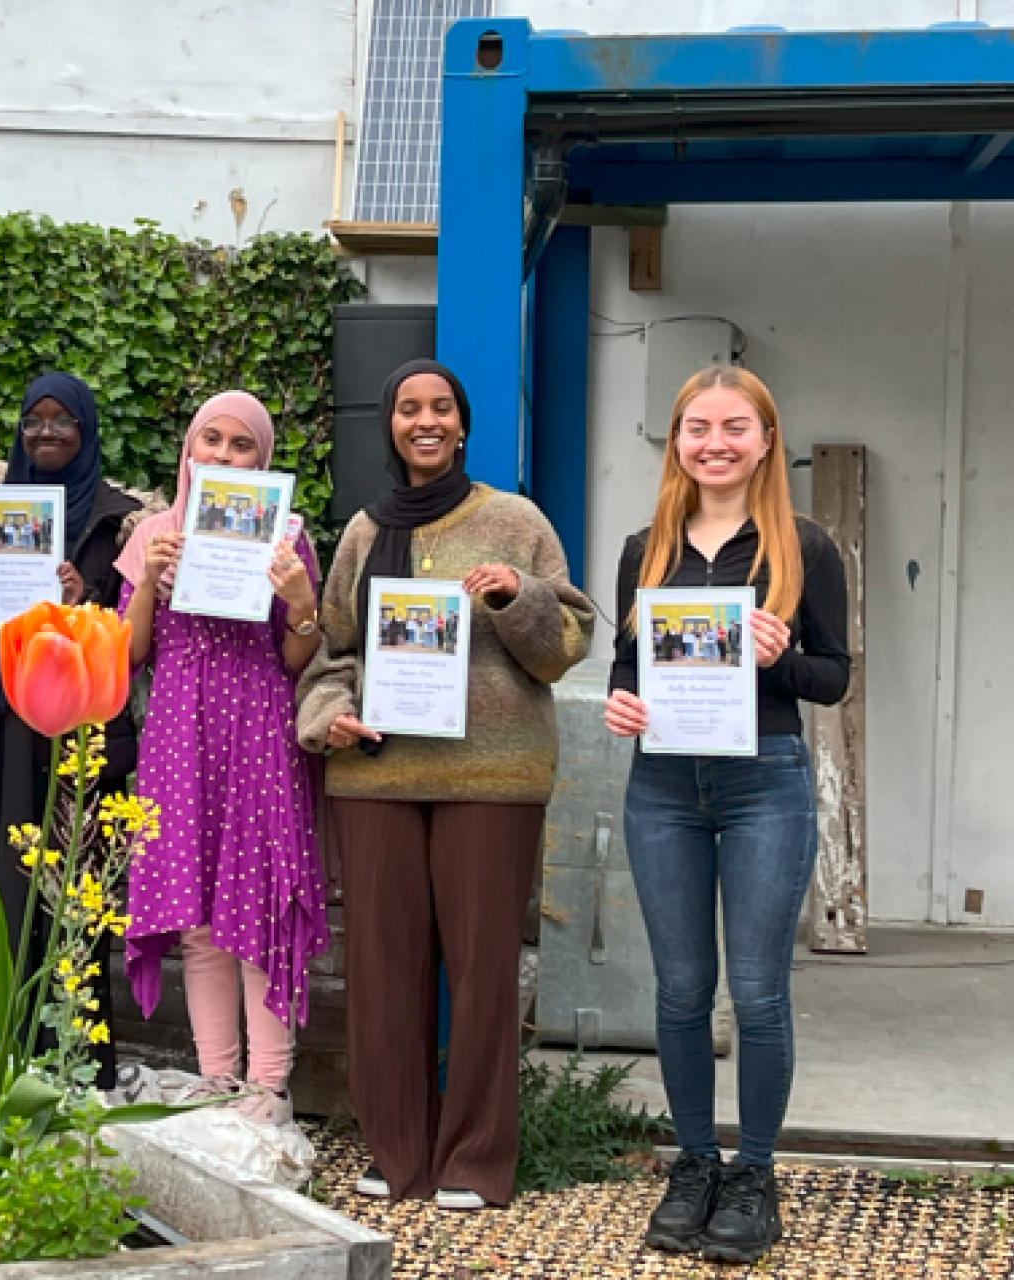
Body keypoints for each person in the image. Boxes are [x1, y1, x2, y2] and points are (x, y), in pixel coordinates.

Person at [295, 358, 593, 1210]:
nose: (424, 421)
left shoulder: (516, 521)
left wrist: (515, 595)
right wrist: (330, 718)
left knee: (483, 970)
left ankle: (476, 1158)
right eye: (407, 409)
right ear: (390, 426)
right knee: (381, 972)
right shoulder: (363, 532)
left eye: (440, 408)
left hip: (490, 778)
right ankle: (396, 1152)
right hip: (378, 773)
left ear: (462, 424)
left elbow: (566, 643)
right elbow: (333, 655)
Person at [603, 366, 850, 1265]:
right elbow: (627, 666)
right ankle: (696, 1163)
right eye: (698, 427)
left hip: (763, 786)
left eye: (734, 427)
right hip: (663, 788)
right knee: (678, 989)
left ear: (766, 440)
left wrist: (780, 659)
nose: (715, 443)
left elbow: (834, 677)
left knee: (756, 991)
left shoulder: (804, 547)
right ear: (676, 442)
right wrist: (620, 702)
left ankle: (754, 1174)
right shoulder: (646, 550)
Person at [116, 391, 328, 1126]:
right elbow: (130, 655)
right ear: (189, 448)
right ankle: (215, 1077)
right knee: (196, 912)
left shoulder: (286, 536)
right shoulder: (153, 534)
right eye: (212, 440)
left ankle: (268, 1086)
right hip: (179, 731)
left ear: (262, 459)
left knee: (261, 902)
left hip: (259, 727)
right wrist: (149, 581)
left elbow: (297, 658)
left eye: (243, 446)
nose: (225, 456)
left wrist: (300, 601)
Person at [0, 372, 142, 1087]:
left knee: (64, 896)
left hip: (70, 739)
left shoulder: (116, 521)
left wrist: (85, 600)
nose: (46, 432)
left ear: (86, 429)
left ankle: (69, 1064)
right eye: (33, 420)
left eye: (62, 420)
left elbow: (130, 637)